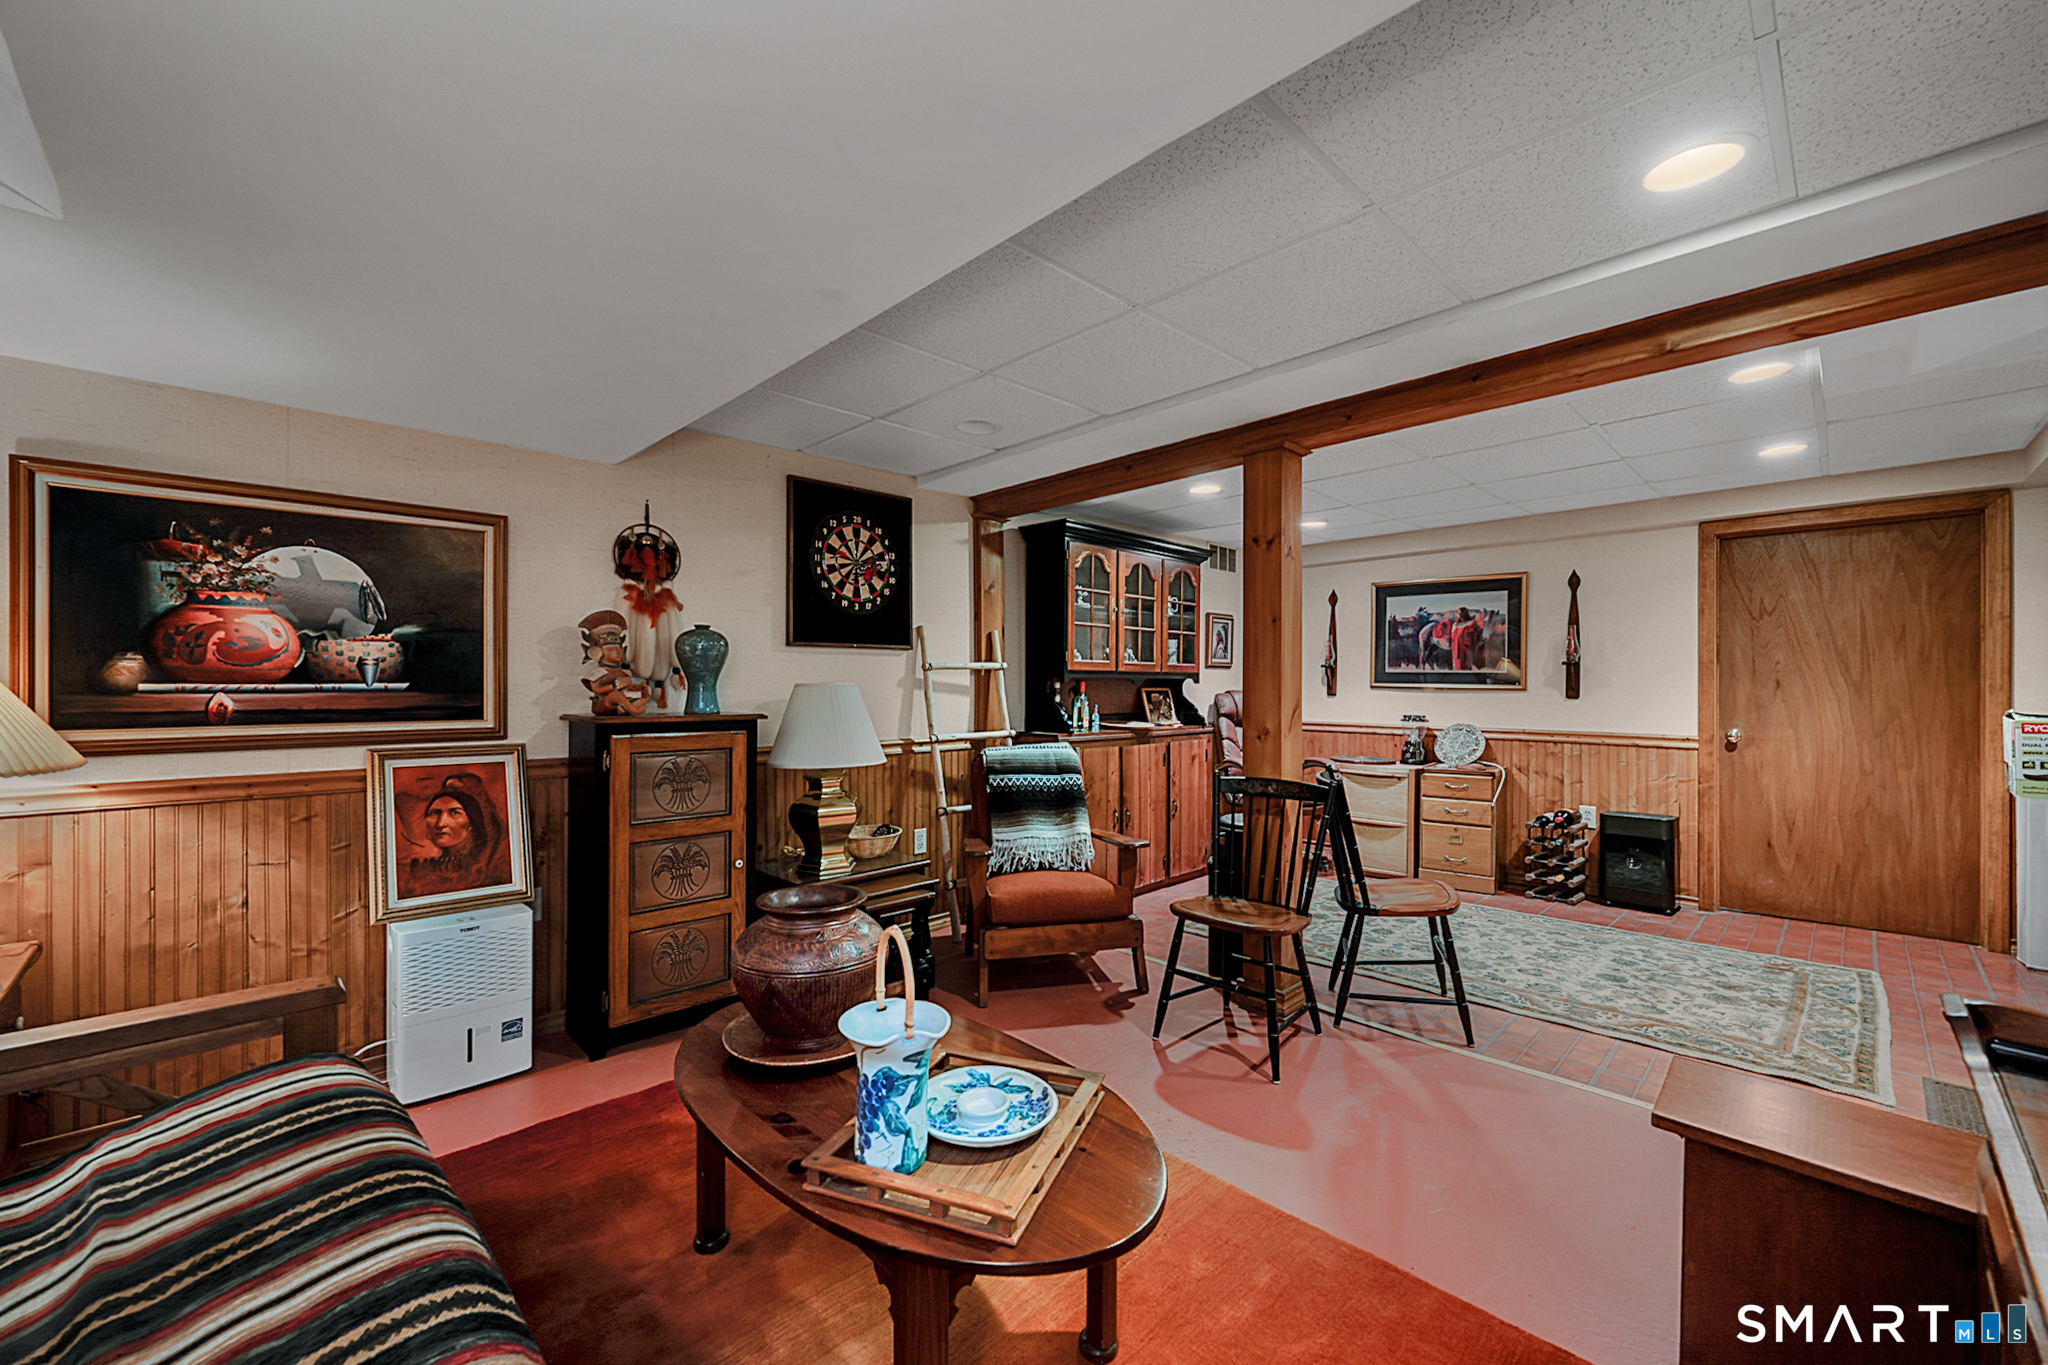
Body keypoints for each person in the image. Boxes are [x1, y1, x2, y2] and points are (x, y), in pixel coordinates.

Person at [401, 771, 512, 899]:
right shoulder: (419, 869)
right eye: (434, 813)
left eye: (454, 813)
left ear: (473, 822)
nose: (441, 823)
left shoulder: (489, 869)